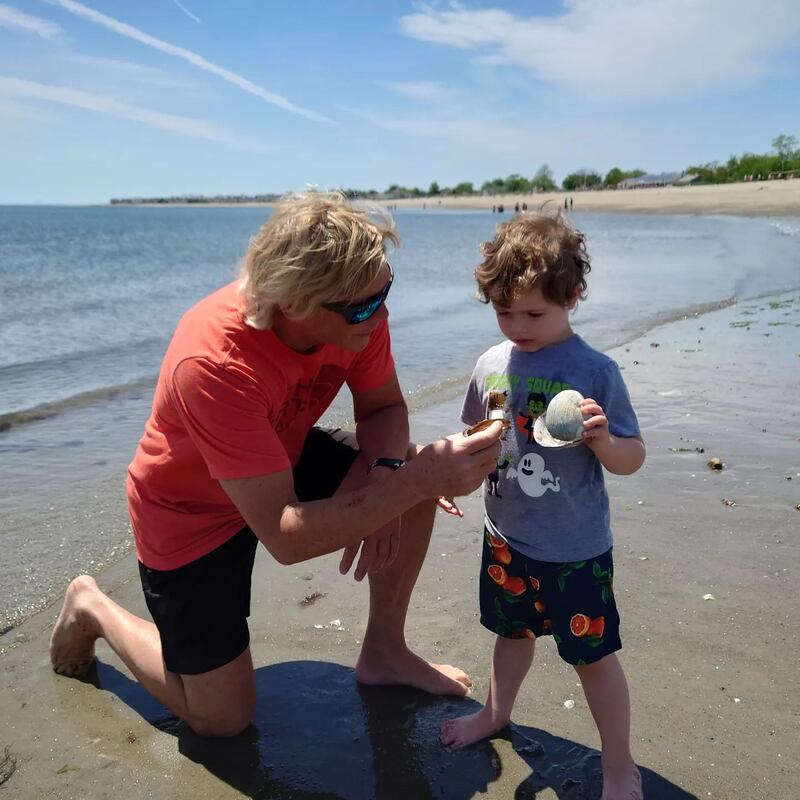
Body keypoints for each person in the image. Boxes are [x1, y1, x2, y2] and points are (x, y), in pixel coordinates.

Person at [50, 191, 503, 738]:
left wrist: (392, 482)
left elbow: (383, 408)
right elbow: (286, 538)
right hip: (187, 508)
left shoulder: (357, 309)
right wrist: (410, 483)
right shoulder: (215, 362)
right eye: (364, 306)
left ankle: (385, 651)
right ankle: (92, 606)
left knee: (406, 472)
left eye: (385, 292)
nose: (380, 314)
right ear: (296, 304)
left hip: (274, 453)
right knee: (220, 719)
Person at [440, 213, 645, 800]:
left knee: (594, 659)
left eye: (534, 313)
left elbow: (632, 457)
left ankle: (617, 767)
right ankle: (495, 713)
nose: (518, 326)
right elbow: (475, 439)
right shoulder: (490, 365)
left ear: (572, 296)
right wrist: (443, 476)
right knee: (511, 636)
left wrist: (604, 441)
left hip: (574, 550)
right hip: (506, 534)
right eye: (505, 312)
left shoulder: (594, 372)